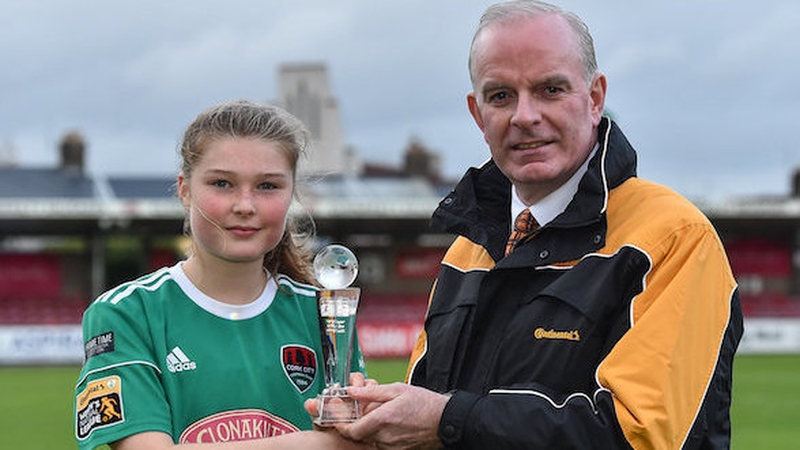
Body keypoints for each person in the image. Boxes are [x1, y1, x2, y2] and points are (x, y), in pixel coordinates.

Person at [321, 1, 744, 448]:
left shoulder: (673, 238)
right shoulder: (466, 253)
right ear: (477, 113)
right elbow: (428, 420)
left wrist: (446, 419)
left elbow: (641, 436)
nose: (524, 116)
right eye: (500, 95)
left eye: (550, 90)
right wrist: (384, 415)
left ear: (595, 98)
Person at [74, 100, 370, 449]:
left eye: (268, 186)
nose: (245, 205)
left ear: (291, 194)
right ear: (184, 190)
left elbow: (357, 440)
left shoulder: (322, 312)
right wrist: (321, 445)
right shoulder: (126, 313)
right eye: (222, 183)